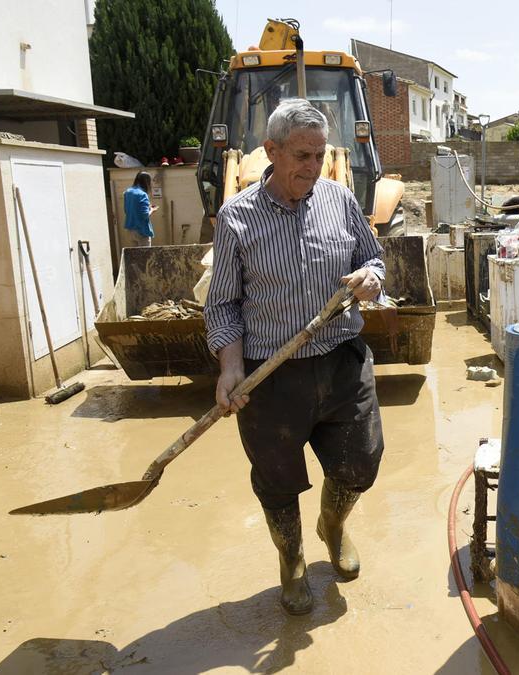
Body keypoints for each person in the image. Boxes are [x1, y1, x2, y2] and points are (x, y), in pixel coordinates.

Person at [204, 98, 387, 616]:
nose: (311, 166)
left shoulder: (339, 199)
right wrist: (231, 368)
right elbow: (222, 306)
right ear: (271, 151)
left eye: (318, 154)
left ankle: (333, 525)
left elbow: (370, 257)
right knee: (277, 481)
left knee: (359, 464)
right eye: (301, 156)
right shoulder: (238, 219)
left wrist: (372, 278)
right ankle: (293, 558)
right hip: (271, 375)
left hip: (341, 358)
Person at [122, 171, 158, 246]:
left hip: (130, 230)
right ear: (146, 182)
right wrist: (152, 210)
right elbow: (144, 215)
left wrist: (147, 207)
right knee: (145, 256)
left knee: (134, 257)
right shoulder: (143, 194)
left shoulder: (127, 192)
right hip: (142, 231)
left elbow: (126, 210)